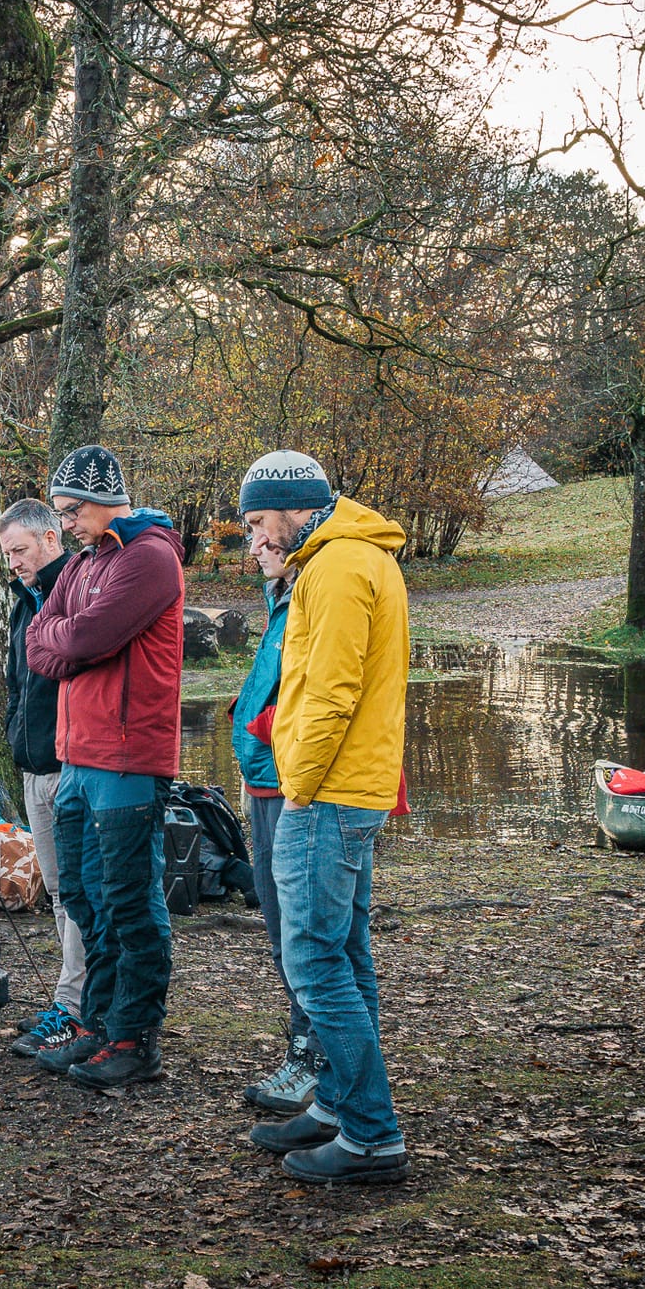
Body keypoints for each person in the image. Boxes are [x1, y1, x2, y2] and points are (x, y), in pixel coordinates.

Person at [238, 449, 412, 1185]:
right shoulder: (348, 557)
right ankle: (341, 1107)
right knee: (345, 951)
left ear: (290, 504)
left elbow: (330, 692)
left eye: (255, 521)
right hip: (349, 787)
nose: (253, 537)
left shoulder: (339, 568)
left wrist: (298, 782)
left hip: (327, 791)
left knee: (313, 956)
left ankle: (372, 1134)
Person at [25, 445, 185, 1089]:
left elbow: (83, 639)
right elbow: (42, 640)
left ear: (100, 500)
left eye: (69, 511)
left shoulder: (149, 558)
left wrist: (69, 641)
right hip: (76, 756)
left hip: (127, 757)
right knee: (84, 898)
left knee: (128, 902)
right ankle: (96, 1024)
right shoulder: (86, 561)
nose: (63, 525)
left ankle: (134, 1037)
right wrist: (68, 640)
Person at [231, 513, 323, 1114]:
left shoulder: (314, 594)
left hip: (294, 788)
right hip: (265, 781)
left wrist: (264, 731)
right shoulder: (281, 598)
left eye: (262, 524)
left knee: (304, 934)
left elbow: (317, 693)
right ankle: (303, 1056)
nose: (255, 542)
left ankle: (313, 1064)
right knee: (280, 931)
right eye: (247, 528)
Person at [0, 497, 89, 1058]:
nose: (13, 562)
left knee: (76, 892)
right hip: (33, 766)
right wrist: (15, 736)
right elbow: (17, 680)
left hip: (70, 765)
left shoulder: (71, 590)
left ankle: (75, 1005)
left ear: (51, 539)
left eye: (20, 550)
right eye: (7, 554)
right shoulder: (23, 600)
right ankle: (72, 997)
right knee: (56, 893)